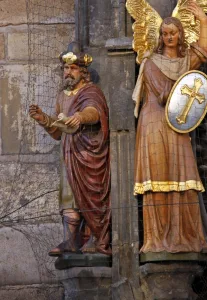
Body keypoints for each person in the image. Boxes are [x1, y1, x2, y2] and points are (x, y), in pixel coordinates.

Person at [133, 2, 207, 253]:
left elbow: (204, 51)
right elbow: (164, 95)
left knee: (185, 175)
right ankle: (158, 240)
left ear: (181, 35)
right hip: (155, 123)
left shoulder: (183, 62)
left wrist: (203, 21)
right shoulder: (150, 63)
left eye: (174, 33)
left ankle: (187, 237)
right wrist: (200, 88)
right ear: (160, 37)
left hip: (177, 124)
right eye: (165, 33)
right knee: (159, 178)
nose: (169, 37)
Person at [29, 42, 111, 256]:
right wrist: (44, 120)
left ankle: (97, 238)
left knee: (92, 195)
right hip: (68, 152)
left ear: (83, 72)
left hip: (88, 153)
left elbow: (94, 112)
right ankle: (70, 242)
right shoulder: (61, 97)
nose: (68, 72)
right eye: (65, 68)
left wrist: (80, 117)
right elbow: (58, 133)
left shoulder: (91, 91)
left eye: (73, 68)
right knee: (69, 198)